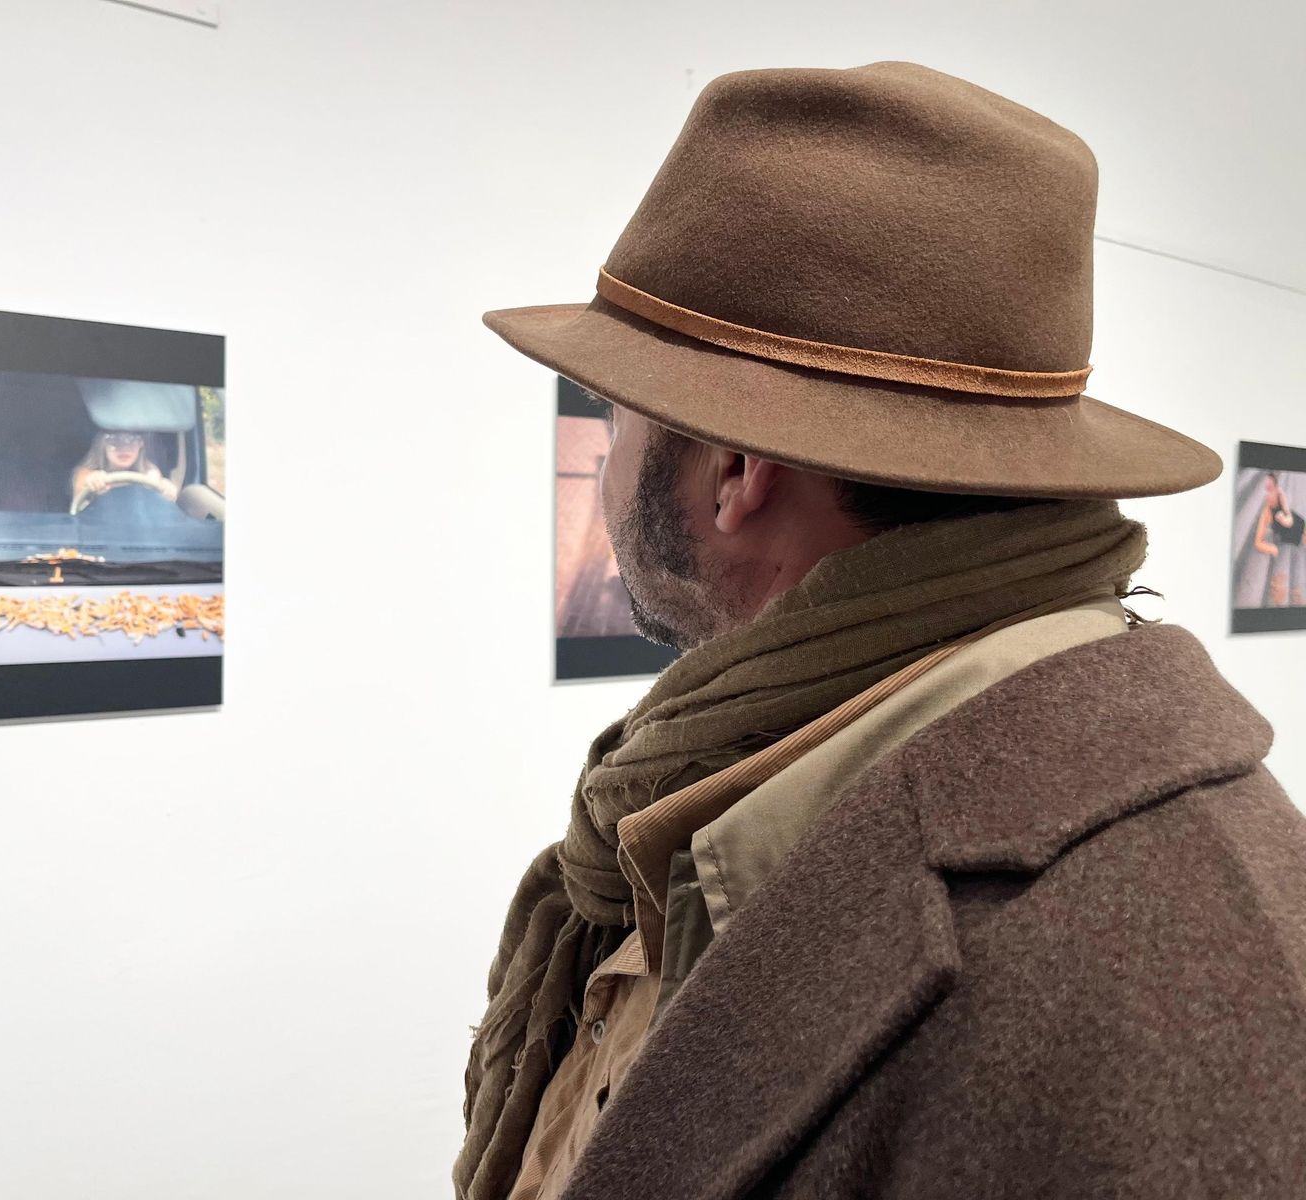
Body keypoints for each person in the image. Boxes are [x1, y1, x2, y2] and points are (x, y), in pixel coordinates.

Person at [456, 63, 1306, 1200]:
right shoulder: (754, 791)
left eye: (617, 417)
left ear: (733, 473)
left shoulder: (1161, 970)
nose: (606, 464)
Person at [71, 430, 178, 504]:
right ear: (102, 443)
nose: (124, 447)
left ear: (141, 444)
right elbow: (78, 504)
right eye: (114, 439)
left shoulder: (150, 473)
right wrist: (92, 482)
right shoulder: (86, 474)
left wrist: (166, 490)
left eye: (132, 439)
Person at [1253, 471, 1306, 607]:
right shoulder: (1266, 512)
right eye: (1263, 490)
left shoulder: (1281, 495)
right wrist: (1272, 548)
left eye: (1269, 489)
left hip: (1298, 525)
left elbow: (1289, 517)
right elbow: (1258, 542)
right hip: (1292, 537)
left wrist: (1285, 519)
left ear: (1276, 488)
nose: (1266, 494)